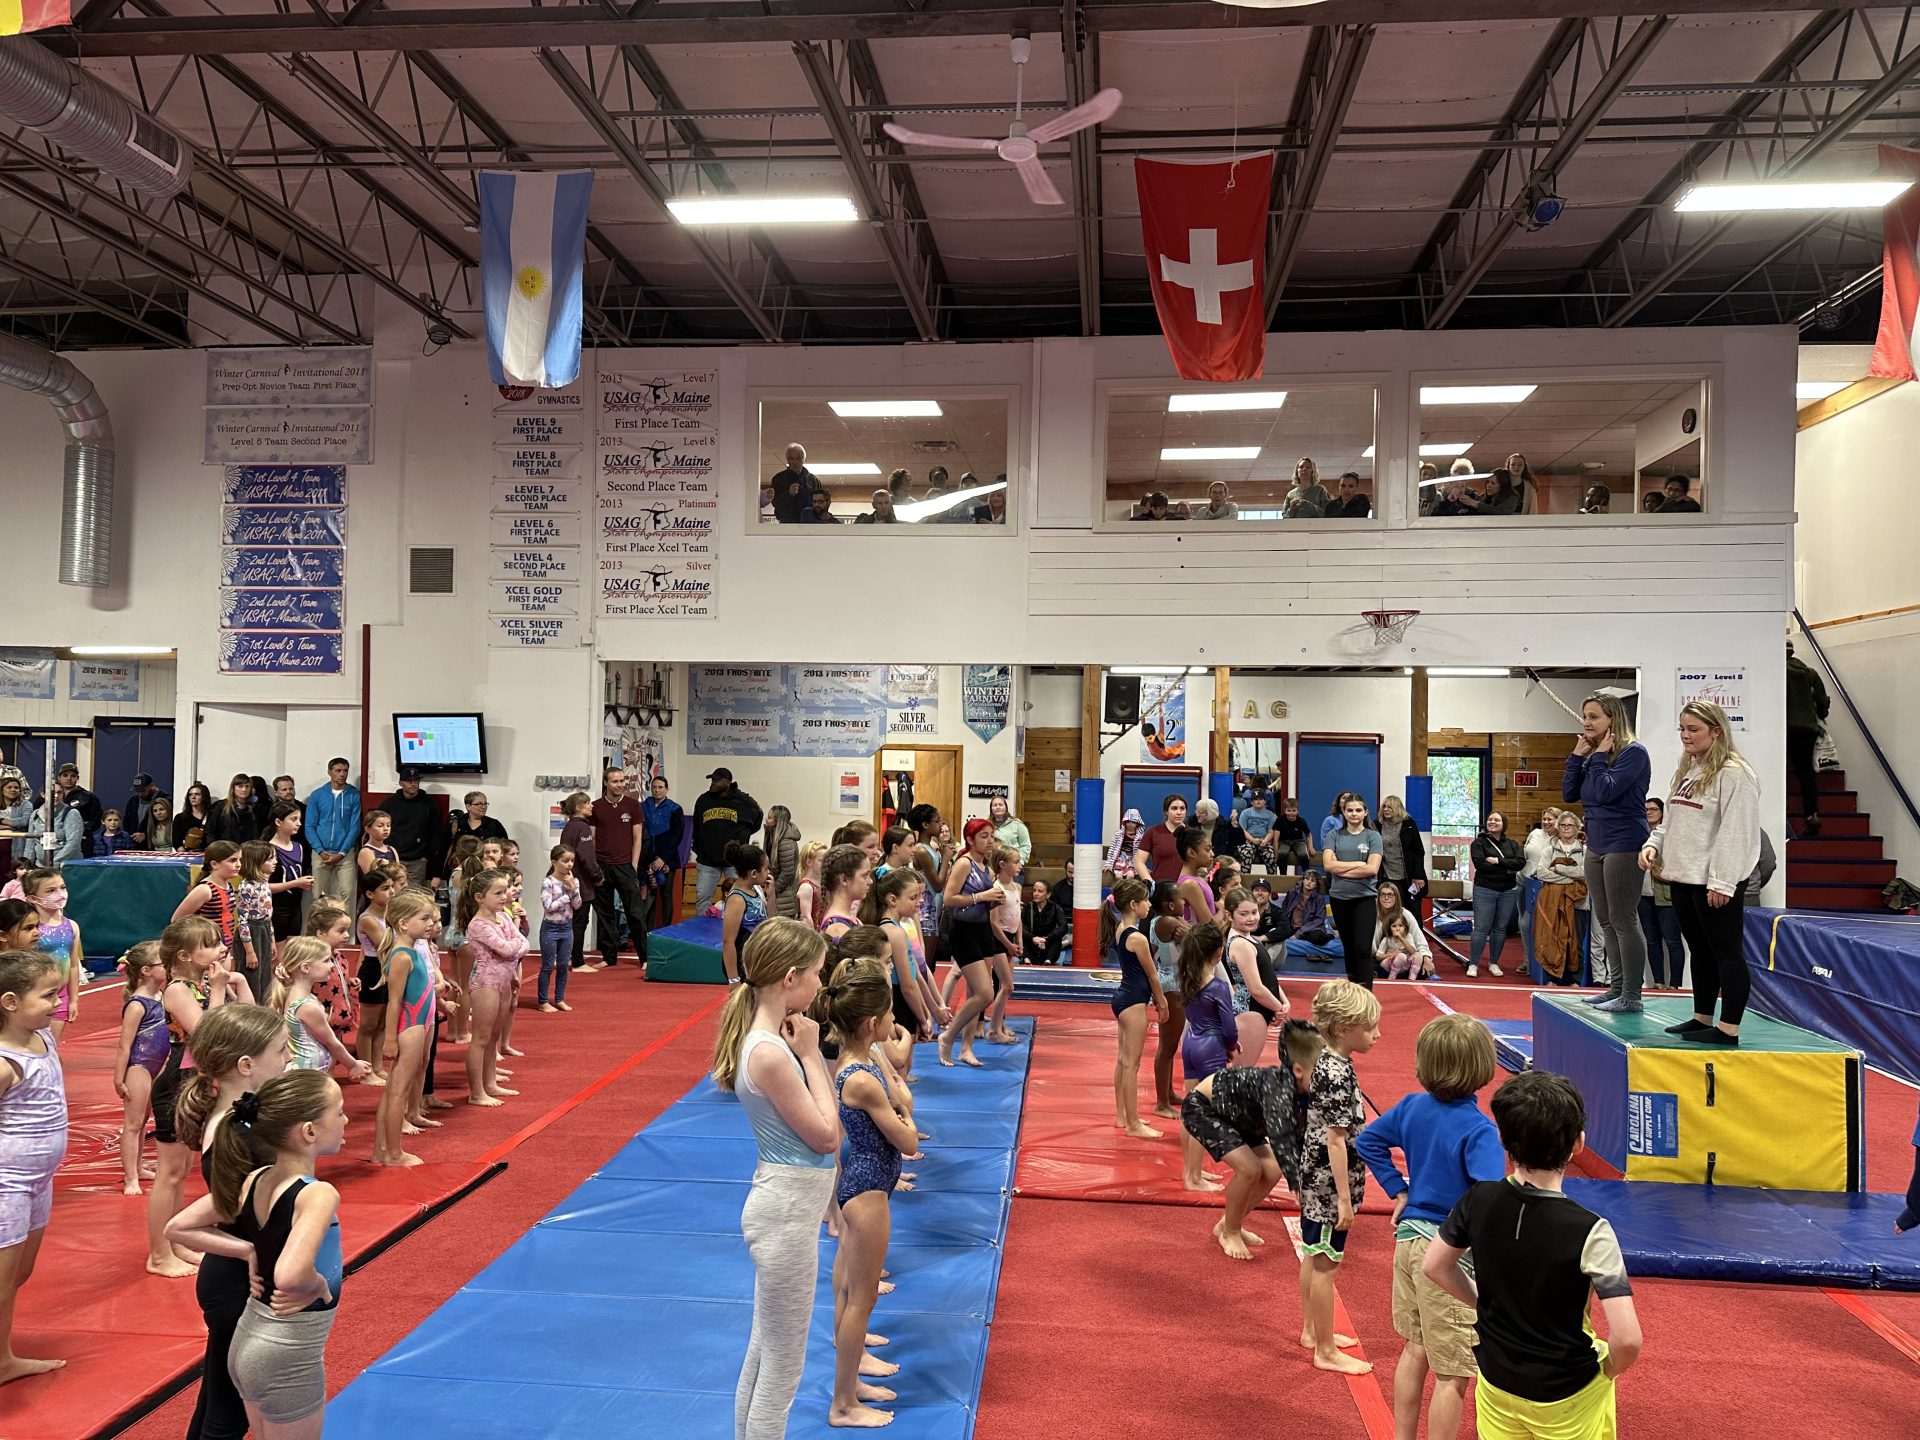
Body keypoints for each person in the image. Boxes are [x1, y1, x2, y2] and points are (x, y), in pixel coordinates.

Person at [1423, 1070, 1642, 1440]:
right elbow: (1627, 1340)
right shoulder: (1592, 1230)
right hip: (1564, 1391)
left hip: (1496, 1380)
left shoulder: (1478, 1200)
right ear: (1578, 1143)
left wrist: (1483, 1303)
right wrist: (1608, 1370)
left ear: (1505, 1142)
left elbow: (1435, 1266)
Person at [169, 1068, 349, 1439]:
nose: (346, 1120)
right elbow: (289, 1276)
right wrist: (317, 1286)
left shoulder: (254, 1179)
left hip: (249, 1340)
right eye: (340, 1112)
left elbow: (179, 1227)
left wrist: (248, 1250)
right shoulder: (317, 1194)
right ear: (309, 1131)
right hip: (286, 1353)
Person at [713, 920, 839, 1440]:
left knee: (766, 1352)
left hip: (785, 1209)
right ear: (790, 978)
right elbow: (827, 1136)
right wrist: (812, 1055)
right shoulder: (771, 1052)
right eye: (816, 975)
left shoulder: (763, 1040)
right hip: (785, 1214)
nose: (820, 986)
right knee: (783, 1369)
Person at [1356, 1014, 1505, 1440]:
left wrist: (1398, 1190)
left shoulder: (1411, 1106)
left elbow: (1368, 1140)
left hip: (1408, 1243)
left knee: (1416, 1347)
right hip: (1450, 1257)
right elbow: (1490, 1198)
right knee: (1453, 1373)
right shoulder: (1480, 1130)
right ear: (1482, 1069)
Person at [171, 1001, 289, 1438]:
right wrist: (247, 1250)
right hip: (237, 1283)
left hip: (238, 1277)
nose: (289, 1058)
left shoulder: (243, 1116)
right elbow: (194, 1221)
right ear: (246, 1064)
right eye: (280, 1051)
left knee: (219, 1397)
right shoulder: (232, 1134)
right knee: (232, 1410)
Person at [818, 956, 919, 1429]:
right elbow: (909, 1141)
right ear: (872, 1023)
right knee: (862, 1299)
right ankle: (842, 1405)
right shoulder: (861, 1078)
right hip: (867, 1189)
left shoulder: (857, 1062)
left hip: (864, 1183)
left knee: (851, 1290)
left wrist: (899, 1105)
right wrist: (905, 1111)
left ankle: (849, 1384)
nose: (896, 1022)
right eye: (891, 1016)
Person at [1640, 699, 1761, 1046]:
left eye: (1693, 729)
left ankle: (1728, 1029)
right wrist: (1653, 844)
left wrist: (1723, 881)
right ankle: (1702, 1017)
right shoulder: (1690, 770)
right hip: (1684, 878)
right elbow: (1673, 821)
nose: (1685, 735)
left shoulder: (1734, 773)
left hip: (1714, 882)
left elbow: (1737, 832)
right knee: (1700, 949)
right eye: (1682, 728)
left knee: (1727, 952)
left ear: (1716, 731)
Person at [143, 917, 240, 1281]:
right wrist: (217, 991)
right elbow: (206, 1033)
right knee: (168, 1173)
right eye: (210, 945)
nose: (219, 949)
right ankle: (157, 1252)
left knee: (182, 1171)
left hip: (196, 1079)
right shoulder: (178, 989)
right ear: (184, 955)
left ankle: (176, 1241)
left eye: (219, 942)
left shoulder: (198, 984)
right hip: (177, 1082)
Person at [1183, 1020, 1322, 1262]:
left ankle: (1229, 1223)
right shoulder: (1278, 1090)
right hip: (1205, 1108)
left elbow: (1302, 1137)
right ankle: (1231, 1233)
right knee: (1249, 1169)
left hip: (1241, 1117)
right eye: (1320, 1072)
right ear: (1298, 1070)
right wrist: (1298, 1183)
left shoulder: (1305, 1091)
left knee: (1271, 1169)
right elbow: (1281, 1136)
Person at [1299, 979, 1380, 1377]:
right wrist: (1345, 1199)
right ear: (1343, 1028)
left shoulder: (1331, 1060)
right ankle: (1326, 1350)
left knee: (1314, 1255)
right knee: (1326, 1265)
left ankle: (1313, 1331)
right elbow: (1336, 1140)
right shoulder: (1335, 1071)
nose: (1377, 1036)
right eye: (1370, 1028)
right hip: (1329, 1181)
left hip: (1317, 1175)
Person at [0, 946, 67, 1385]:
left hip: (40, 1180)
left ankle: (3, 1359)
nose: (57, 1004)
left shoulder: (42, 1038)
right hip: (8, 1183)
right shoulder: (5, 1062)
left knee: (19, 1274)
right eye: (47, 996)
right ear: (9, 1002)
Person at [1565, 691, 1651, 1013]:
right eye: (1584, 716)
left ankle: (1631, 994)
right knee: (1604, 919)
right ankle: (1615, 988)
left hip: (1624, 843)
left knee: (1623, 918)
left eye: (1594, 717)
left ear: (1612, 719)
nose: (1586, 722)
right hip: (1598, 844)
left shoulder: (1633, 753)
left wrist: (1599, 757)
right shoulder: (1592, 754)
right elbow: (1570, 792)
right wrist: (1577, 756)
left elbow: (1604, 791)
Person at [372, 890, 438, 1163]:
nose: (430, 923)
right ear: (402, 923)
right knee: (398, 1089)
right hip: (409, 1025)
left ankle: (380, 1151)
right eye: (424, 918)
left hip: (418, 1023)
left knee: (394, 1090)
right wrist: (390, 1039)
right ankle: (394, 1153)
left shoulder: (411, 950)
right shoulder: (401, 956)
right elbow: (394, 1001)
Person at [939, 820, 1006, 1069]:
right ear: (970, 840)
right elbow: (948, 899)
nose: (990, 841)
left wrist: (991, 903)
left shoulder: (985, 867)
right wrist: (981, 897)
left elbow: (976, 902)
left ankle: (967, 1047)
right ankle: (948, 1036)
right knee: (985, 993)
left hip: (982, 930)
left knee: (973, 992)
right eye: (984, 837)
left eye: (991, 836)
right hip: (963, 931)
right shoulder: (964, 863)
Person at [1176, 922, 1237, 1192]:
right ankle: (1194, 1179)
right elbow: (1230, 1028)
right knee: (1203, 1115)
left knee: (1189, 1111)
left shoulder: (1186, 977)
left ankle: (1191, 1171)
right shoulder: (1219, 987)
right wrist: (1231, 1047)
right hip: (1210, 1047)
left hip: (1190, 1044)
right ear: (1218, 952)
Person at [1103, 878, 1166, 1139]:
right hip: (1133, 1001)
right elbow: (1152, 976)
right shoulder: (1137, 937)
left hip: (1124, 999)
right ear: (1133, 904)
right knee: (1132, 1064)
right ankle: (1133, 1124)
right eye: (1145, 901)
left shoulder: (1121, 929)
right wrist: (1162, 1003)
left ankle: (1122, 1116)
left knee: (1123, 1061)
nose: (1149, 904)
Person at [113, 942, 171, 1195]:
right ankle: (129, 1178)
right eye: (162, 963)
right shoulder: (137, 1004)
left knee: (145, 1120)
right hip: (139, 1066)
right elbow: (124, 1046)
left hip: (158, 1066)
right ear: (146, 970)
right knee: (134, 1123)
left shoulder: (163, 995)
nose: (168, 966)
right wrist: (118, 1078)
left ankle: (138, 1167)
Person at [462, 870, 522, 1103]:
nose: (504, 896)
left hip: (504, 980)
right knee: (481, 1037)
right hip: (486, 982)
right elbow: (508, 949)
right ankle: (476, 1092)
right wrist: (514, 944)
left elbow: (523, 944)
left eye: (505, 891)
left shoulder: (504, 917)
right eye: (497, 893)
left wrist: (513, 944)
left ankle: (490, 1083)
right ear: (479, 897)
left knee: (494, 1036)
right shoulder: (478, 924)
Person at [272, 938, 368, 1079]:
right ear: (305, 968)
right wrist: (352, 1065)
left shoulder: (304, 996)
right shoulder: (307, 1007)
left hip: (311, 1070)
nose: (332, 966)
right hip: (306, 1074)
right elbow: (332, 1042)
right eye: (326, 961)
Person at [590, 767, 650, 971]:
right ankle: (609, 956)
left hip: (625, 866)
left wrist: (633, 865)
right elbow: (592, 838)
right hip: (602, 866)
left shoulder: (633, 805)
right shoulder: (596, 807)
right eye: (614, 781)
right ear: (606, 783)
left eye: (622, 781)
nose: (619, 784)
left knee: (635, 913)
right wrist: (594, 866)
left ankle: (644, 958)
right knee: (605, 914)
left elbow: (637, 838)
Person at [1323, 796, 1382, 988]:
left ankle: (1366, 993)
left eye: (1358, 810)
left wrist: (1342, 868)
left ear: (1365, 812)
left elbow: (1372, 869)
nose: (1354, 814)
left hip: (1364, 898)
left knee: (1363, 948)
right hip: (1340, 898)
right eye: (1350, 810)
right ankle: (1354, 989)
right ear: (1344, 813)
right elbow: (1328, 865)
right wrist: (1357, 864)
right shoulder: (1334, 835)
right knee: (1348, 947)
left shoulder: (1373, 836)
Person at [695, 769, 764, 914]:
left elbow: (757, 820)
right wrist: (699, 848)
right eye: (712, 780)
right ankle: (699, 932)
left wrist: (742, 837)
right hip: (707, 860)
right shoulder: (703, 800)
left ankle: (735, 927)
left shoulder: (744, 801)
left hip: (734, 861)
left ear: (728, 782)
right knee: (703, 898)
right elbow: (696, 826)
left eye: (717, 780)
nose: (712, 783)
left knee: (739, 896)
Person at [1467, 812, 1523, 979]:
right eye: (1490, 819)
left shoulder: (1513, 844)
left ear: (1503, 824)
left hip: (1508, 890)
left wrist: (1497, 861)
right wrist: (1507, 866)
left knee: (1500, 928)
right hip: (1485, 888)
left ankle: (1494, 962)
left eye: (1497, 820)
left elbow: (1520, 863)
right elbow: (1480, 864)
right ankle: (1473, 963)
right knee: (1481, 927)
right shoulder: (1479, 843)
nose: (1492, 822)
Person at [1637, 798, 1685, 989]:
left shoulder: (1670, 835)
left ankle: (1675, 985)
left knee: (1672, 940)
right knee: (1651, 940)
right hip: (1644, 895)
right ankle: (1658, 982)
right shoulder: (1639, 833)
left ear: (1662, 812)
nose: (1649, 812)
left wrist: (1661, 871)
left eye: (1653, 809)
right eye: (1646, 809)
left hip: (1666, 895)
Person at [1786, 640, 1830, 836]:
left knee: (1778, 769)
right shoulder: (1810, 673)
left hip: (1784, 727)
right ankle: (1812, 815)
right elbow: (1823, 700)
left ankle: (1780, 812)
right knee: (1805, 772)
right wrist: (1820, 713)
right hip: (1807, 727)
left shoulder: (1776, 672)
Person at [302, 759, 359, 907]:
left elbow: (354, 827)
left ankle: (342, 928)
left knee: (347, 894)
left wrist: (341, 852)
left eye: (345, 771)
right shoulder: (317, 795)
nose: (342, 774)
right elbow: (309, 826)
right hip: (321, 852)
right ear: (329, 772)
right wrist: (320, 850)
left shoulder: (353, 795)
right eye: (338, 771)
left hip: (345, 853)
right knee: (318, 896)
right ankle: (319, 928)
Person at [382, 767, 445, 891]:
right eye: (409, 781)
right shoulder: (389, 804)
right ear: (401, 783)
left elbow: (436, 832)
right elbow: (378, 829)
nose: (413, 784)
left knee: (414, 898)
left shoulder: (429, 804)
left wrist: (426, 857)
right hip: (393, 859)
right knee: (392, 896)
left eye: (416, 781)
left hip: (418, 860)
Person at [720, 843, 773, 986]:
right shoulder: (737, 899)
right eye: (766, 869)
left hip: (755, 957)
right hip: (740, 962)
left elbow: (771, 921)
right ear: (754, 873)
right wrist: (733, 979)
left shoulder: (755, 889)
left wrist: (771, 895)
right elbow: (728, 941)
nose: (768, 872)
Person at [639, 775, 687, 930]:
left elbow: (677, 836)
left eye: (660, 787)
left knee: (666, 895)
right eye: (654, 787)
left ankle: (666, 929)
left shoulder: (675, 809)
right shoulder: (644, 806)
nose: (657, 790)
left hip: (667, 858)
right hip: (646, 857)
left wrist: (663, 858)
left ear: (666, 789)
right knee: (648, 895)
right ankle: (647, 929)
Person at [538, 845, 582, 1012]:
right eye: (565, 861)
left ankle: (560, 998)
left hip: (567, 927)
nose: (569, 864)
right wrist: (566, 895)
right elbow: (548, 906)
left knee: (564, 964)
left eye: (572, 861)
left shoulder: (574, 880)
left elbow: (577, 905)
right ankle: (543, 1001)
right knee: (548, 965)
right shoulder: (548, 882)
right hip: (550, 927)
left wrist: (574, 890)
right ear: (554, 862)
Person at [265, 802, 311, 950]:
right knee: (278, 958)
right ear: (278, 822)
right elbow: (263, 887)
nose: (299, 823)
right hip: (277, 909)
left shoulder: (298, 847)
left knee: (293, 955)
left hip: (295, 908)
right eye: (293, 819)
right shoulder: (268, 850)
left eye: (299, 819)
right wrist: (296, 883)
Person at [1377, 794, 1428, 919]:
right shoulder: (1377, 825)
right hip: (1387, 875)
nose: (1386, 809)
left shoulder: (1409, 824)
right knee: (1390, 911)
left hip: (1408, 876)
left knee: (1412, 912)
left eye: (1390, 807)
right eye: (1384, 807)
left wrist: (1418, 875)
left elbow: (1418, 851)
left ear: (1398, 809)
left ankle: (1414, 938)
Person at [444, 790, 507, 873]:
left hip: (486, 870)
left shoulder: (494, 825)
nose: (483, 807)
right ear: (468, 806)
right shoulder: (456, 825)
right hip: (460, 869)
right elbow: (444, 849)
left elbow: (505, 848)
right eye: (479, 804)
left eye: (485, 804)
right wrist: (437, 876)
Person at [52, 763, 103, 856]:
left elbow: (96, 821)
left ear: (77, 778)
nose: (69, 778)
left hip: (81, 841)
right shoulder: (48, 796)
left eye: (73, 776)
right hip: (54, 840)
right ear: (59, 777)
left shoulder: (88, 797)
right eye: (65, 775)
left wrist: (79, 829)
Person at [1137, 793, 1189, 883]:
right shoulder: (1153, 832)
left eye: (1182, 808)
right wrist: (1151, 883)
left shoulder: (1193, 834)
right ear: (1166, 811)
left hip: (1186, 888)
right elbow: (1139, 862)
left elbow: (1202, 865)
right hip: (1160, 887)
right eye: (1174, 808)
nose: (1179, 812)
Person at [762, 806, 801, 919]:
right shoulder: (772, 834)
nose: (766, 819)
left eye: (769, 818)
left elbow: (787, 872)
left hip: (785, 894)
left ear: (777, 822)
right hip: (778, 890)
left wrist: (773, 890)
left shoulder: (785, 842)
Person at [768, 442, 822, 524]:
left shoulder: (813, 480)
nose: (795, 462)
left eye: (798, 458)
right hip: (788, 524)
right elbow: (776, 503)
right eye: (791, 459)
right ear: (787, 460)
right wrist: (789, 494)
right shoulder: (779, 479)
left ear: (803, 459)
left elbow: (821, 503)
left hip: (810, 524)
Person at [203, 774, 260, 848]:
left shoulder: (255, 809)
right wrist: (215, 849)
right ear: (233, 788)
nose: (244, 789)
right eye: (240, 786)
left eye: (247, 786)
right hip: (224, 850)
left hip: (248, 851)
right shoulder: (220, 806)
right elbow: (210, 830)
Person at [1022, 878, 1069, 965]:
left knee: (1057, 937)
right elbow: (1019, 927)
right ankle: (1026, 959)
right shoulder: (1027, 907)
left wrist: (1045, 939)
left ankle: (1048, 961)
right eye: (1034, 891)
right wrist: (1033, 938)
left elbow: (1064, 927)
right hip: (1031, 944)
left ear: (1048, 895)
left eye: (1040, 891)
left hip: (1047, 945)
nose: (1035, 894)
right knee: (1023, 931)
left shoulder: (1055, 908)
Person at [1237, 789, 1279, 871]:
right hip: (1248, 840)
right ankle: (1245, 879)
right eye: (1255, 799)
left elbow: (1271, 831)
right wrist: (1252, 840)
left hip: (1264, 840)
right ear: (1252, 802)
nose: (1258, 801)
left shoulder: (1270, 815)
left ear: (1265, 801)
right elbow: (1242, 830)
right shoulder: (1245, 813)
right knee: (1246, 854)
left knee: (1270, 856)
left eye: (1260, 799)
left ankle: (1273, 881)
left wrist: (1265, 841)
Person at [987, 796, 1031, 868]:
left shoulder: (1017, 824)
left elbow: (1025, 845)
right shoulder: (987, 825)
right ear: (991, 809)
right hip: (992, 866)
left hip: (1013, 865)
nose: (998, 807)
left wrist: (1020, 862)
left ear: (1006, 807)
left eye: (1000, 805)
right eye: (995, 805)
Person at [123, 773, 164, 846]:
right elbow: (127, 821)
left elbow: (166, 825)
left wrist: (147, 835)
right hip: (134, 845)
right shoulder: (133, 801)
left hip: (155, 846)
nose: (140, 794)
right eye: (137, 791)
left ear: (151, 786)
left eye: (142, 791)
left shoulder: (165, 799)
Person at [174, 782, 214, 850]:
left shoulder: (212, 817)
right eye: (190, 795)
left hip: (208, 854)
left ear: (204, 796)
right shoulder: (180, 818)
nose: (193, 797)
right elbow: (176, 842)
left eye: (197, 794)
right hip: (187, 855)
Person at [1108, 807, 1145, 879]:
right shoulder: (1118, 834)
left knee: (1130, 875)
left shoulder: (1140, 836)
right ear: (1124, 822)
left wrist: (1142, 865)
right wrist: (1108, 864)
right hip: (1121, 859)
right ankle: (1120, 889)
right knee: (1118, 876)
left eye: (1133, 822)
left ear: (1137, 823)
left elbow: (1142, 852)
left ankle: (1127, 890)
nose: (1130, 824)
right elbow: (1112, 850)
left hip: (1133, 860)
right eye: (1128, 821)